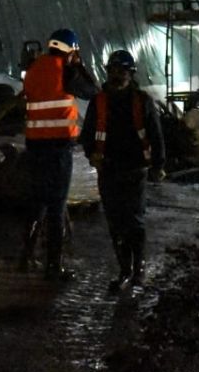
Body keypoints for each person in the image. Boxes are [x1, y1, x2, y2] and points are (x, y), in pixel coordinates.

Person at [80, 50, 166, 295]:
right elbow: (87, 135)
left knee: (134, 220)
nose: (117, 75)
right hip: (108, 169)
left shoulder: (142, 101)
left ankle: (138, 269)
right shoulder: (99, 101)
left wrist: (158, 165)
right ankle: (125, 271)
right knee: (115, 222)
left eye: (122, 71)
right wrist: (91, 154)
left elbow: (156, 134)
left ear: (130, 74)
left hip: (135, 169)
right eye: (114, 70)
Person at [18, 28, 96, 279]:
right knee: (56, 204)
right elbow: (92, 90)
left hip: (35, 145)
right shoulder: (67, 70)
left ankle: (26, 257)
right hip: (58, 146)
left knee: (37, 202)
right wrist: (79, 64)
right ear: (70, 50)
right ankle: (54, 266)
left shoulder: (33, 68)